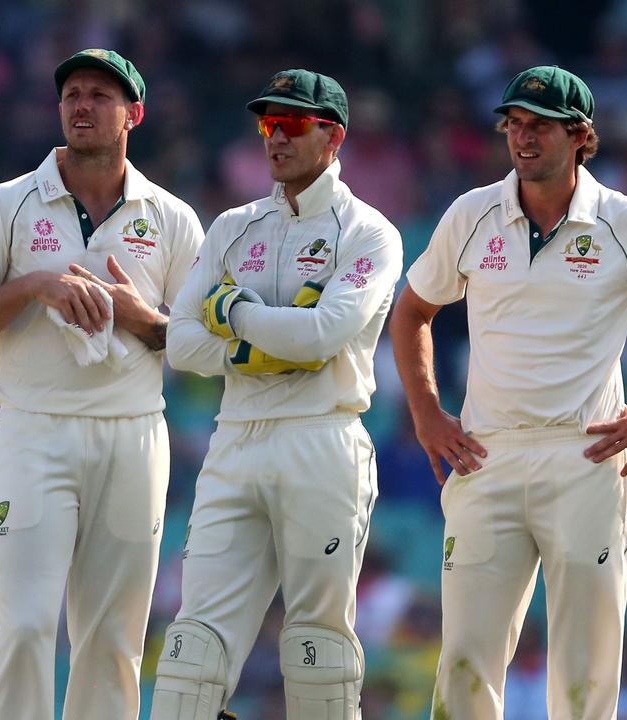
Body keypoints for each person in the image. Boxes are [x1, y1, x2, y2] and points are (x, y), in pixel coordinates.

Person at [390, 65, 627, 720]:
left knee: (586, 666)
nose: (523, 138)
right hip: (486, 453)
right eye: (514, 124)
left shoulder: (626, 221)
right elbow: (412, 310)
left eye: (540, 126)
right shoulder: (472, 214)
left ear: (581, 136)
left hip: (584, 456)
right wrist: (426, 412)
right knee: (467, 656)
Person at [0, 49, 204, 720]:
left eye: (101, 95)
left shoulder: (170, 218)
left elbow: (202, 350)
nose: (82, 104)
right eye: (73, 93)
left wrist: (144, 319)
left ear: (134, 114)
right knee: (24, 626)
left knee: (112, 639)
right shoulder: (7, 204)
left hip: (133, 435)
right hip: (33, 428)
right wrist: (34, 286)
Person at [150, 70, 402, 720]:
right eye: (268, 124)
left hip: (322, 437)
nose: (276, 138)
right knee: (192, 643)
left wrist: (229, 310)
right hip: (235, 442)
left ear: (333, 135)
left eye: (292, 125)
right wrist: (271, 342)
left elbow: (325, 334)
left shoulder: (368, 233)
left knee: (317, 641)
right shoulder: (234, 225)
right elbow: (180, 343)